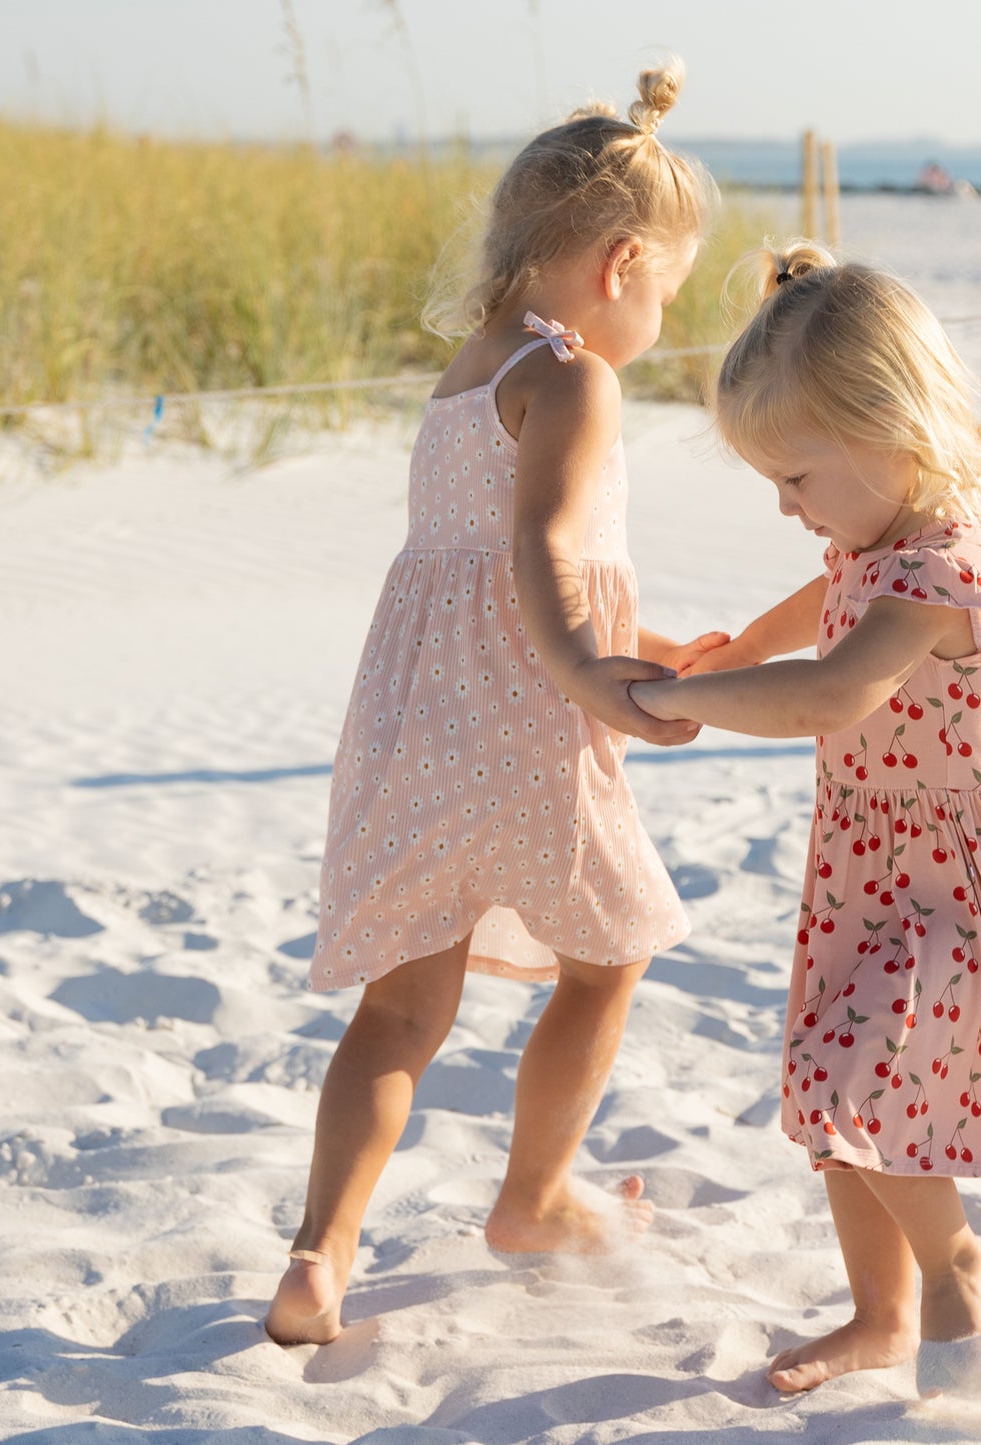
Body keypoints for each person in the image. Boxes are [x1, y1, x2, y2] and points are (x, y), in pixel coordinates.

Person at [629, 242, 981, 1397]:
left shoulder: (940, 573)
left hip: (944, 876)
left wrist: (679, 697)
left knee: (850, 1082)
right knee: (825, 1102)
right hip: (857, 864)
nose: (788, 508)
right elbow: (824, 594)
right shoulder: (871, 539)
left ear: (891, 434)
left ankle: (952, 1267)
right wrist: (736, 645)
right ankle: (878, 1313)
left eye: (795, 478)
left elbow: (834, 692)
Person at [265, 60, 724, 1347]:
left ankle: (319, 1252)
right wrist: (589, 669)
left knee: (403, 1008)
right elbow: (538, 552)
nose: (664, 323)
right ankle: (532, 1197)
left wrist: (648, 640)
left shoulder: (469, 365)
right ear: (620, 262)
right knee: (608, 956)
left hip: (416, 714)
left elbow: (490, 564)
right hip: (527, 714)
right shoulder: (578, 377)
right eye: (669, 294)